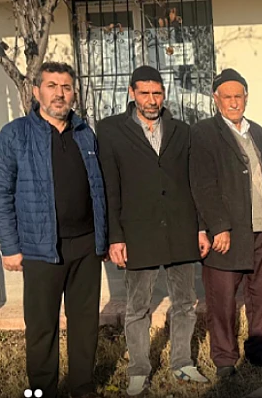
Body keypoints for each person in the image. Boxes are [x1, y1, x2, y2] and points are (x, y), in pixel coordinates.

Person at [97, 65, 209, 396]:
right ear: (131, 93)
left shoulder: (181, 130)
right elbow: (110, 187)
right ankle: (138, 370)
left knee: (185, 302)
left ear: (164, 94)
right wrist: (115, 236)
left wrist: (201, 228)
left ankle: (182, 363)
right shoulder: (111, 130)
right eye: (144, 93)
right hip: (138, 232)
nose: (151, 99)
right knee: (137, 306)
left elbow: (194, 181)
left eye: (157, 93)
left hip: (180, 229)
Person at [0, 62, 106, 398]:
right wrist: (9, 246)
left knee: (85, 321)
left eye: (66, 87)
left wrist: (103, 237)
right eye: (52, 86)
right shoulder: (15, 134)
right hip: (40, 247)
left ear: (74, 93)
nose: (60, 94)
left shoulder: (84, 133)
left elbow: (98, 187)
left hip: (85, 245)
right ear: (36, 91)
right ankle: (43, 389)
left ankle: (82, 386)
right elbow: (1, 192)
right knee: (42, 325)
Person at [190, 69, 262, 376]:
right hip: (227, 233)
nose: (234, 102)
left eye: (238, 96)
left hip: (261, 229)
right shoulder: (204, 133)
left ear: (246, 97)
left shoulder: (258, 132)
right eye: (227, 97)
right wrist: (218, 226)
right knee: (222, 300)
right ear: (216, 99)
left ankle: (259, 350)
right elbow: (202, 184)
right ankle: (225, 359)